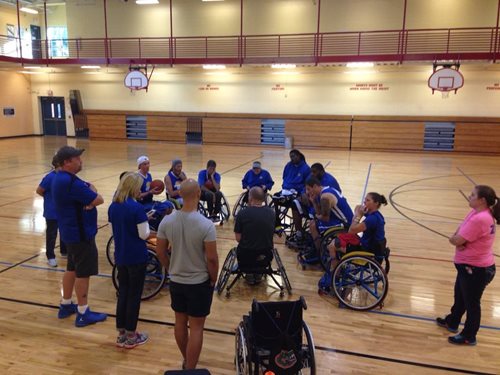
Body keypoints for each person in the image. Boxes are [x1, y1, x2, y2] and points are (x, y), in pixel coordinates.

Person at [156, 179, 218, 370]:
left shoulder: (167, 221)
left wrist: (169, 268)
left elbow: (160, 252)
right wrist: (214, 278)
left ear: (180, 195)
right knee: (197, 327)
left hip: (176, 281)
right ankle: (191, 368)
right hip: (199, 283)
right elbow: (212, 259)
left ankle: (186, 360)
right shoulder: (206, 225)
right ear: (199, 194)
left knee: (180, 322)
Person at [52, 146, 107, 327]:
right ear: (67, 162)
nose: (81, 161)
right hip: (81, 235)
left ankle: (66, 304)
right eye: (77, 158)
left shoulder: (60, 178)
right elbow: (98, 198)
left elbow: (90, 190)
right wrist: (91, 199)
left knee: (72, 269)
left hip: (69, 233)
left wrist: (89, 196)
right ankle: (83, 313)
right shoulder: (71, 183)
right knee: (83, 273)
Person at [436, 185, 498, 346]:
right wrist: (458, 239)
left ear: (482, 200)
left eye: (472, 195)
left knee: (472, 303)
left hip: (476, 269)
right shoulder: (476, 212)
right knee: (460, 295)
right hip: (468, 267)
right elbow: (461, 231)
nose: (469, 197)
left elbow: (457, 239)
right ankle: (453, 321)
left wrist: (456, 240)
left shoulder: (481, 218)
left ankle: (469, 335)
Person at [108, 172, 152, 349]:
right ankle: (132, 335)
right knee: (134, 296)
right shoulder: (136, 208)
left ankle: (121, 334)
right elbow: (144, 234)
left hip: (121, 255)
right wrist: (145, 221)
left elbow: (114, 232)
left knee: (123, 293)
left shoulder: (113, 206)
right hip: (136, 256)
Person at [328, 192, 387, 266]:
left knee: (332, 245)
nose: (364, 201)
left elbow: (351, 231)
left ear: (376, 203)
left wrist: (358, 215)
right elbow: (357, 207)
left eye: (368, 200)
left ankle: (334, 269)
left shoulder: (372, 219)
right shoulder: (376, 214)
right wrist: (359, 212)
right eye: (365, 199)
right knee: (339, 238)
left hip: (365, 249)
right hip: (371, 246)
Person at [234, 187, 276, 284]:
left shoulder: (242, 213)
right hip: (265, 256)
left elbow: (238, 238)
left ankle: (249, 272)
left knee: (245, 249)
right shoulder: (271, 213)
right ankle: (258, 271)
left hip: (246, 256)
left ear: (250, 198)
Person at [305, 177, 353, 258]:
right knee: (313, 222)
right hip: (341, 219)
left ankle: (319, 253)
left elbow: (325, 218)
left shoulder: (325, 197)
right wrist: (313, 201)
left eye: (308, 189)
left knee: (313, 225)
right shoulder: (327, 189)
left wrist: (316, 216)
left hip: (345, 223)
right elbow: (321, 213)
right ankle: (319, 249)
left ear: (315, 186)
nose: (307, 192)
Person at [36, 155, 67, 267]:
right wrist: (49, 198)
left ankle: (64, 251)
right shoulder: (50, 177)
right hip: (52, 212)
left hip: (63, 211)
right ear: (59, 164)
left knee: (64, 231)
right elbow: (39, 190)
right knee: (52, 234)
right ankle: (50, 256)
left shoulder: (65, 176)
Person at [273, 149, 310, 231]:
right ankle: (277, 222)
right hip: (286, 191)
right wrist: (284, 187)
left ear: (299, 156)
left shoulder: (306, 168)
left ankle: (298, 231)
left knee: (294, 203)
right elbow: (284, 177)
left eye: (293, 156)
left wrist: (302, 192)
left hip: (297, 193)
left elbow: (307, 184)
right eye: (290, 157)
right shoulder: (288, 165)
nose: (292, 158)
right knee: (275, 197)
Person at [136, 155, 174, 228]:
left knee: (169, 204)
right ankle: (156, 225)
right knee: (163, 208)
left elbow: (150, 190)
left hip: (150, 201)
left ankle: (161, 224)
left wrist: (156, 191)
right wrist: (150, 192)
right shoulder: (137, 178)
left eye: (148, 163)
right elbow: (138, 196)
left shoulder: (149, 175)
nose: (147, 166)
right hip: (142, 204)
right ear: (140, 166)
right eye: (145, 164)